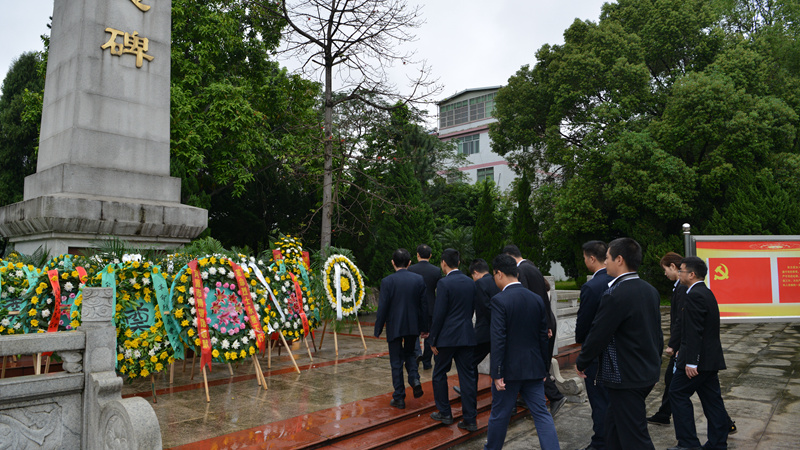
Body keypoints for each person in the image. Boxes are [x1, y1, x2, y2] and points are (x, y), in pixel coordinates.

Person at [575, 238, 662, 450]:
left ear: (619, 259)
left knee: (635, 437)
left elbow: (598, 334)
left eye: (607, 258)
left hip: (626, 376)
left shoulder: (615, 294)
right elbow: (656, 334)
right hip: (646, 370)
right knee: (612, 429)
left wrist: (582, 361)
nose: (605, 263)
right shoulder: (649, 290)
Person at [484, 254, 560, 450]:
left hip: (509, 371)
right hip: (534, 368)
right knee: (542, 414)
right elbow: (544, 336)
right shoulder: (536, 299)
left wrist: (497, 373)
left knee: (500, 415)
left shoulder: (499, 301)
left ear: (499, 274)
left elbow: (498, 339)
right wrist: (544, 368)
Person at [668, 256, 730, 450]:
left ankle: (688, 443)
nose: (679, 274)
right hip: (710, 359)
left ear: (692, 274)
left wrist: (691, 362)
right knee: (712, 401)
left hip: (699, 360)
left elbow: (695, 332)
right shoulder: (705, 292)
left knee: (677, 393)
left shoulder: (694, 295)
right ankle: (718, 443)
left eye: (682, 271)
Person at [502, 244, 565, 416]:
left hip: (536, 325)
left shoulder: (521, 271)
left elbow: (525, 300)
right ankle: (526, 397)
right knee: (536, 363)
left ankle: (555, 396)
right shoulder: (532, 267)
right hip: (545, 321)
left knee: (535, 363)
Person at [429, 248, 478, 431]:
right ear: (458, 263)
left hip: (447, 337)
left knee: (439, 373)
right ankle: (470, 419)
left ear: (443, 263)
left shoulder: (443, 283)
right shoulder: (470, 282)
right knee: (467, 377)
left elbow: (439, 314)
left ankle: (445, 413)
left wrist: (433, 339)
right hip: (466, 335)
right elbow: (472, 309)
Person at [374, 248, 428, 409]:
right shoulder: (418, 279)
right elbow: (423, 306)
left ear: (392, 262)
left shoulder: (387, 281)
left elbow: (382, 307)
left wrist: (378, 328)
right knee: (411, 353)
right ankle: (414, 378)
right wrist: (424, 328)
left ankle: (399, 397)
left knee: (396, 361)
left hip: (394, 326)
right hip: (412, 326)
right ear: (409, 263)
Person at [574, 240, 613, 450]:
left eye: (584, 258)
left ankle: (600, 441)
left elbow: (584, 322)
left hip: (597, 353)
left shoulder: (592, 286)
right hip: (620, 352)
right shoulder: (618, 281)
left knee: (598, 399)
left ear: (591, 258)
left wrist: (582, 346)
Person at [647, 252, 686, 426]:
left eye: (665, 270)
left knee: (701, 388)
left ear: (673, 267)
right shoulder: (679, 287)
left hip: (682, 347)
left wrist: (674, 344)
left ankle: (724, 421)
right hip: (681, 346)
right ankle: (664, 414)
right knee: (672, 380)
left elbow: (681, 319)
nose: (665, 274)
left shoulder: (683, 287)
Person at [453, 258, 498, 396]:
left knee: (468, 361)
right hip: (497, 333)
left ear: (476, 272)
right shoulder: (497, 281)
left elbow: (485, 308)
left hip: (484, 332)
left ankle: (468, 390)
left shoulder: (480, 284)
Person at [408, 244, 441, 370]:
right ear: (430, 256)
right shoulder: (436, 271)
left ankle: (417, 354)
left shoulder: (411, 270)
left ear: (417, 255)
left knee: (414, 333)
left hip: (415, 307)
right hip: (431, 307)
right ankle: (427, 362)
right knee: (430, 335)